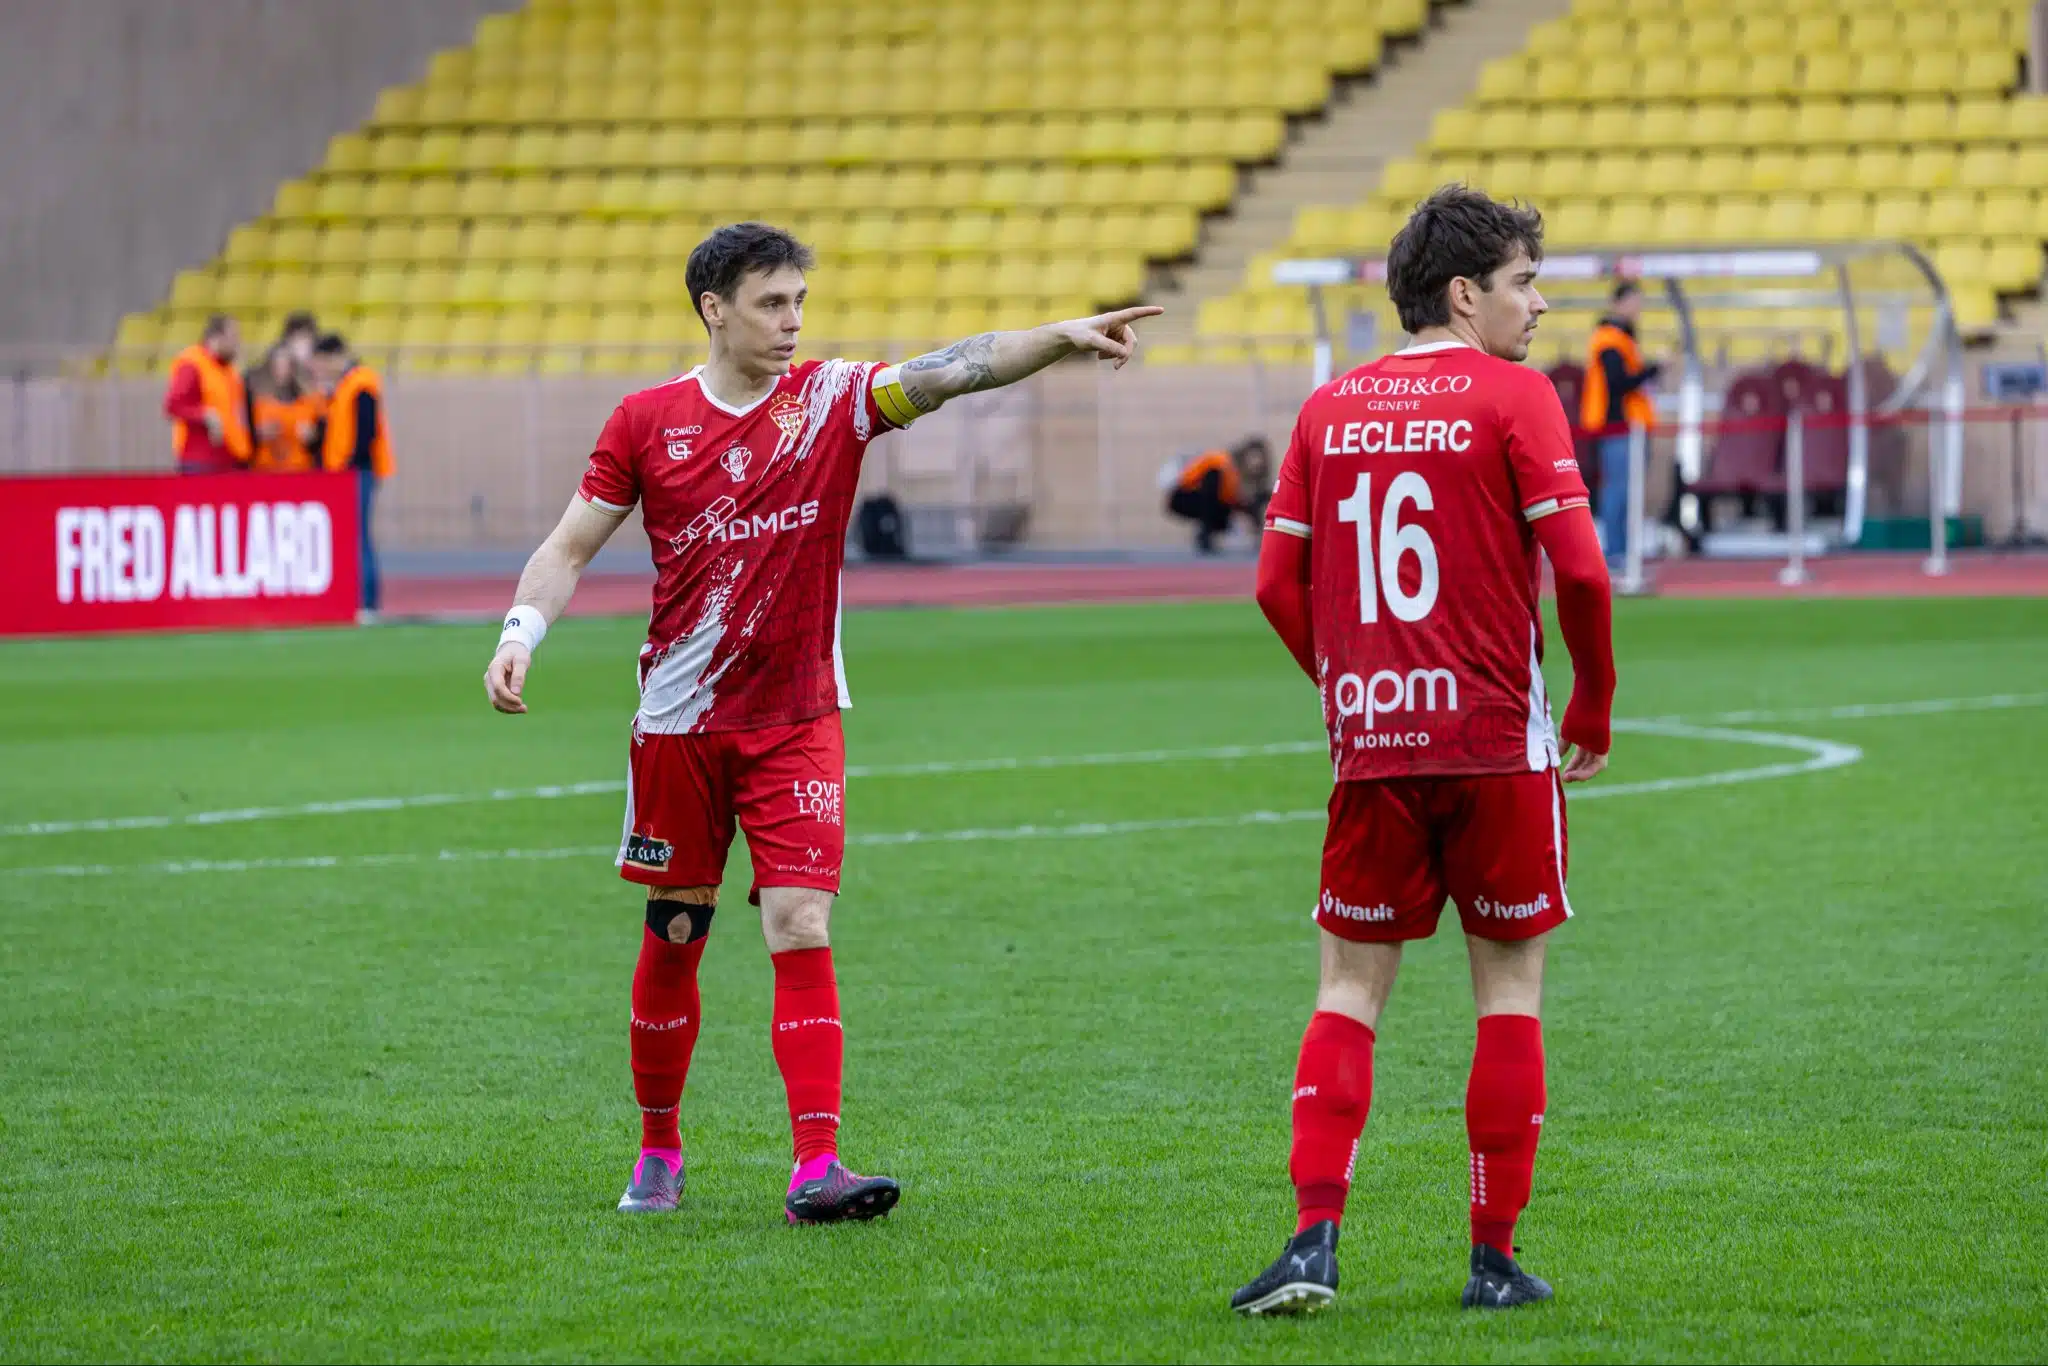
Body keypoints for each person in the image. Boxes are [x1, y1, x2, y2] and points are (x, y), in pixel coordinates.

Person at [479, 222, 1161, 1224]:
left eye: (799, 300)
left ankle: (814, 1167)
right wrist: (519, 632)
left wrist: (1057, 334)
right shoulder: (645, 422)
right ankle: (658, 1148)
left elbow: (952, 370)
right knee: (676, 931)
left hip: (797, 717)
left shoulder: (834, 401)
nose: (793, 321)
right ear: (714, 309)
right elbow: (569, 545)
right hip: (679, 724)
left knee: (798, 920)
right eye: (770, 303)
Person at [1230, 185, 1616, 1316]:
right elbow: (1584, 571)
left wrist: (1347, 685)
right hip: (1495, 742)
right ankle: (1491, 1260)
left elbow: (1269, 583)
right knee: (1507, 993)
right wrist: (1590, 702)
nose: (1537, 306)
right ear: (1463, 292)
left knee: (1348, 988)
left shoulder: (1325, 408)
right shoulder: (1513, 396)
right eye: (1522, 283)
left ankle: (1311, 1242)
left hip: (1374, 746)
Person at [312, 333, 394, 615]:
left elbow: (365, 431)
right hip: (349, 472)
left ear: (335, 357)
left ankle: (368, 602)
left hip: (357, 472)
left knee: (359, 536)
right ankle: (361, 600)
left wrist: (350, 466)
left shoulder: (361, 383)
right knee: (354, 536)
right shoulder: (344, 386)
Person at [1581, 280, 1660, 562]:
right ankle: (1615, 552)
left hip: (1627, 426)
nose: (1638, 308)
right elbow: (1617, 383)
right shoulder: (1609, 339)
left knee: (1625, 491)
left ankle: (1622, 551)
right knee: (1618, 491)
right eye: (1634, 301)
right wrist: (1651, 371)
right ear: (1618, 303)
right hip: (1618, 426)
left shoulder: (1621, 338)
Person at [163, 314, 251, 474]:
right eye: (233, 337)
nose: (237, 343)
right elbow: (173, 405)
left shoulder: (229, 371)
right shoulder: (192, 364)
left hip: (229, 459)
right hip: (201, 462)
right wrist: (204, 415)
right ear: (216, 338)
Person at [1166, 437, 1267, 553]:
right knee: (1214, 484)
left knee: (1240, 505)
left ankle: (1209, 530)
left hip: (1208, 497)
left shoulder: (1236, 477)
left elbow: (1237, 500)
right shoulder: (1222, 464)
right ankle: (1205, 532)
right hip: (1182, 495)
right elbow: (1210, 490)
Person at [246, 342, 320, 473]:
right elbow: (245, 438)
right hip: (266, 470)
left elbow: (318, 443)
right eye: (277, 366)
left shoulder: (309, 402)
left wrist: (312, 437)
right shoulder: (258, 402)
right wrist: (258, 434)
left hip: (299, 470)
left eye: (285, 365)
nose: (281, 371)